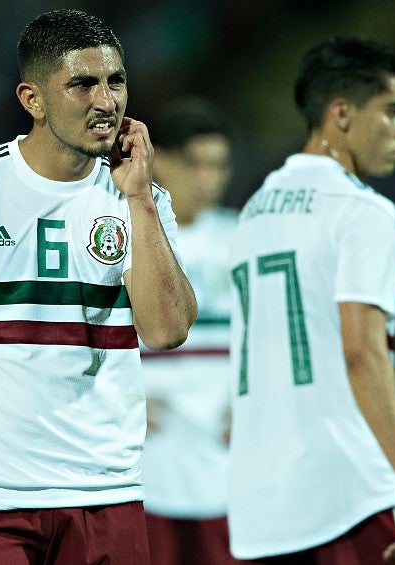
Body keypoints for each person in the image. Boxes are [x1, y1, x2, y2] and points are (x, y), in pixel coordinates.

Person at [0, 9, 196, 565]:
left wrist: (140, 196)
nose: (106, 101)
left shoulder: (142, 200)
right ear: (32, 99)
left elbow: (166, 331)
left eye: (115, 81)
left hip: (107, 495)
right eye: (82, 84)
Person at [226, 37, 395, 564]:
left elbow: (294, 362)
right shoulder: (361, 213)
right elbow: (361, 352)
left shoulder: (253, 213)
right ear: (342, 113)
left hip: (264, 508)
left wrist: (392, 435)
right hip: (351, 498)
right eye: (394, 111)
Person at [139, 97, 242, 565]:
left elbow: (271, 339)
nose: (209, 179)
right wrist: (121, 398)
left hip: (227, 449)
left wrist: (255, 402)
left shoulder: (244, 238)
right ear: (160, 161)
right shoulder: (122, 234)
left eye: (218, 165)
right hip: (145, 450)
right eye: (196, 164)